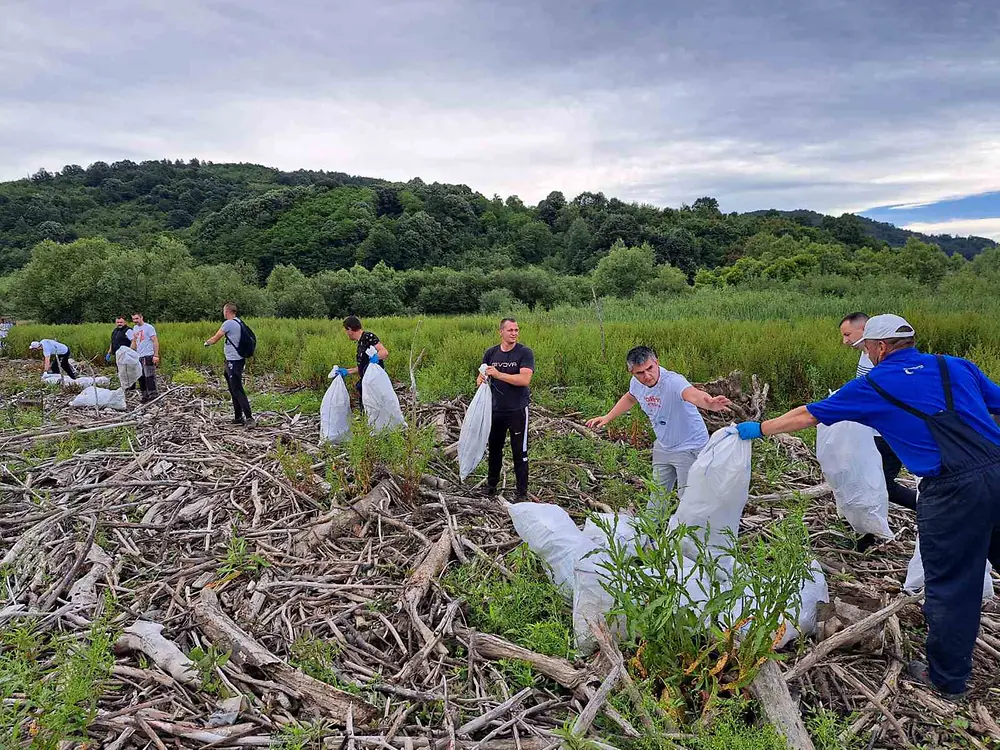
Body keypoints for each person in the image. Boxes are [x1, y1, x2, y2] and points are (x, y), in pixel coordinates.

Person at [734, 314, 1000, 700]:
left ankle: (947, 680)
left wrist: (758, 428)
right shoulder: (955, 365)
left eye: (865, 348)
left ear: (878, 347)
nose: (866, 354)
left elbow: (810, 414)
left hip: (953, 492)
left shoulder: (873, 384)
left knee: (953, 586)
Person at [586, 346, 732, 505]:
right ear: (632, 372)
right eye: (640, 373)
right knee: (657, 498)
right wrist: (608, 417)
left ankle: (695, 528)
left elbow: (693, 395)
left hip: (690, 447)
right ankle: (652, 528)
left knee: (689, 497)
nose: (647, 376)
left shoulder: (673, 381)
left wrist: (709, 403)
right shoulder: (636, 383)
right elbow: (630, 398)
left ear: (656, 362)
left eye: (650, 368)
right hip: (664, 446)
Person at [840, 312, 918, 551]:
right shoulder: (867, 356)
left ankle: (932, 505)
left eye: (847, 334)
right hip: (869, 434)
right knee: (865, 483)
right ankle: (865, 535)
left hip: (886, 436)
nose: (845, 341)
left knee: (880, 486)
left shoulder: (885, 361)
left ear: (866, 330)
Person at [477, 318, 534, 500]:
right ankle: (491, 487)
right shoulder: (491, 353)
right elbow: (482, 376)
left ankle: (521, 493)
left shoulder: (524, 353)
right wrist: (481, 380)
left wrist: (499, 374)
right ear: (500, 332)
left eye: (517, 330)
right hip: (495, 410)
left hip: (517, 409)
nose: (514, 333)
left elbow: (524, 380)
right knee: (494, 449)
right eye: (510, 330)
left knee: (519, 452)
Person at [204, 303, 255, 427]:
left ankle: (249, 418)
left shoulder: (228, 323)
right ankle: (238, 416)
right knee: (232, 388)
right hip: (234, 360)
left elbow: (215, 338)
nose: (223, 313)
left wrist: (206, 343)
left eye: (223, 311)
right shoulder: (239, 322)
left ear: (227, 311)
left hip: (234, 361)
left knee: (237, 388)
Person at [342, 316, 389, 410]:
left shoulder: (368, 337)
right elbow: (363, 366)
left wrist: (376, 357)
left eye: (346, 330)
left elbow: (384, 352)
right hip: (366, 385)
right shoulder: (360, 343)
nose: (346, 333)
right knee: (366, 412)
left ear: (350, 329)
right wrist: (347, 371)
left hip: (375, 385)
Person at [127, 312, 160, 402]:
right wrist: (129, 351)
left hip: (148, 355)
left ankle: (153, 395)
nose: (135, 321)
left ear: (141, 317)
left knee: (149, 376)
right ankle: (145, 395)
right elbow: (135, 342)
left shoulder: (149, 328)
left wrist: (156, 355)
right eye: (133, 319)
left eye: (137, 319)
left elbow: (155, 341)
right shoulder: (135, 328)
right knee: (141, 377)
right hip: (139, 355)